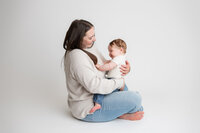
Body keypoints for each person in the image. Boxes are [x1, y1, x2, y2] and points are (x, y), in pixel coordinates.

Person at [63, 19, 144, 122]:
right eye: (90, 37)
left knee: (138, 105)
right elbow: (94, 86)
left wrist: (124, 69)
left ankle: (119, 113)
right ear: (79, 38)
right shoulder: (76, 56)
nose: (95, 39)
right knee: (136, 99)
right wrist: (120, 82)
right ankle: (120, 114)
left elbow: (106, 65)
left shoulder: (89, 47)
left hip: (102, 94)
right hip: (89, 107)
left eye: (94, 35)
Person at [90, 39, 128, 113]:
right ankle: (126, 103)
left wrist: (100, 67)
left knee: (100, 89)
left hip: (114, 80)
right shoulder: (120, 58)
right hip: (119, 81)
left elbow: (110, 66)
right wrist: (105, 62)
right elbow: (108, 62)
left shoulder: (118, 58)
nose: (109, 53)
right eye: (108, 51)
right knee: (124, 94)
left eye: (111, 51)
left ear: (120, 50)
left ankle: (97, 103)